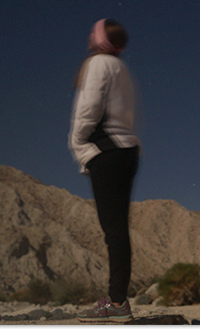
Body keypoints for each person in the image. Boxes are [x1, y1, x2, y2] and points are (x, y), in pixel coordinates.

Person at [68, 19, 140, 323]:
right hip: (125, 150)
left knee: (113, 231)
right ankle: (117, 300)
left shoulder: (98, 63)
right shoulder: (121, 68)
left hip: (106, 151)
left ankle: (117, 303)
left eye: (92, 31)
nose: (88, 35)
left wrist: (77, 142)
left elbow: (89, 107)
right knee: (118, 230)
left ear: (100, 39)